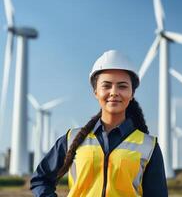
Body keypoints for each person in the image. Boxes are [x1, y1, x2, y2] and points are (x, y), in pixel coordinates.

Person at [30, 50, 168, 197]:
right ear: (95, 91)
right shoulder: (71, 138)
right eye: (106, 85)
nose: (114, 92)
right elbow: (40, 179)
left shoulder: (149, 146)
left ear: (132, 94)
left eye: (122, 86)